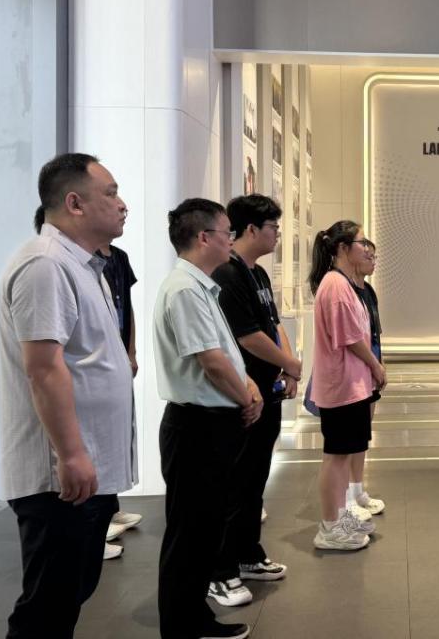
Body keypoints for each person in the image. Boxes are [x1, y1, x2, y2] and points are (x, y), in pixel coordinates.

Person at [0, 153, 136, 638]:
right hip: (58, 478)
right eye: (111, 193)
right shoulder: (46, 265)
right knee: (47, 609)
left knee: (68, 594)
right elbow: (43, 368)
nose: (122, 204)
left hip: (83, 472)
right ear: (75, 203)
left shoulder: (83, 266)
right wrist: (71, 454)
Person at [154, 198, 262, 639]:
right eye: (226, 233)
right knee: (190, 532)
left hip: (210, 424)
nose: (230, 241)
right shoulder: (184, 289)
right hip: (196, 426)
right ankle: (182, 626)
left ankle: (195, 618)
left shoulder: (201, 286)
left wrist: (247, 385)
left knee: (205, 529)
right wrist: (246, 398)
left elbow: (224, 353)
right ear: (204, 237)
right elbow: (211, 362)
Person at [208, 195, 302, 607]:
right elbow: (247, 336)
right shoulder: (228, 275)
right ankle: (220, 570)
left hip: (268, 392)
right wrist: (289, 364)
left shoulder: (258, 273)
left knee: (254, 479)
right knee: (234, 483)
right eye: (273, 227)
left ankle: (247, 553)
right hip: (241, 396)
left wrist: (287, 367)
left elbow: (273, 325)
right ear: (250, 229)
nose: (277, 234)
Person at [307, 220, 385, 550]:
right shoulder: (336, 285)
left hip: (351, 384)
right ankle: (329, 528)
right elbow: (351, 338)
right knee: (336, 457)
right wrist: (375, 365)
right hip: (342, 386)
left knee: (342, 453)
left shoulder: (342, 284)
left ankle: (340, 517)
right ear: (342, 248)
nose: (367, 249)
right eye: (361, 243)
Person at [97, 242, 144, 558]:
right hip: (97, 367)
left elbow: (126, 306)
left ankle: (110, 509)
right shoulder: (73, 262)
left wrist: (131, 351)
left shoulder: (119, 258)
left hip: (117, 360)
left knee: (116, 436)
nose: (122, 217)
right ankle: (97, 523)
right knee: (97, 440)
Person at [344, 238, 386, 520]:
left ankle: (357, 489)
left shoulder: (368, 291)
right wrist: (374, 365)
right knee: (347, 440)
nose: (373, 261)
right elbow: (352, 339)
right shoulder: (344, 290)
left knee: (362, 436)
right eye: (367, 255)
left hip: (369, 372)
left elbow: (374, 335)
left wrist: (380, 365)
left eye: (374, 257)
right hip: (353, 376)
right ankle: (346, 497)